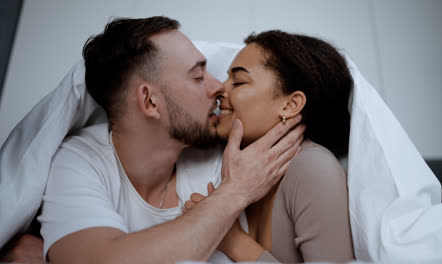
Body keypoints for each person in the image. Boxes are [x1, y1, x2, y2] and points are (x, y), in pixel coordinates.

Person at [0, 16, 305, 264]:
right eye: (199, 77)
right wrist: (235, 192)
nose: (218, 87)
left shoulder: (222, 158)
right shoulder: (79, 161)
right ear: (150, 102)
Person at [185, 30, 355, 262]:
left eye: (239, 81)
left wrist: (232, 241)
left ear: (290, 105)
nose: (220, 89)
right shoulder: (230, 164)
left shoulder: (314, 169)